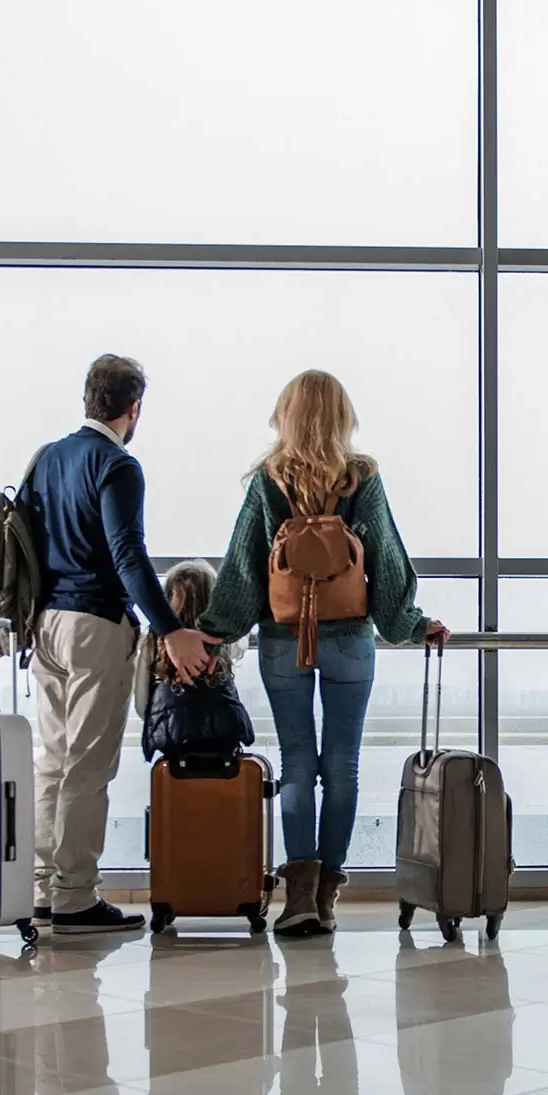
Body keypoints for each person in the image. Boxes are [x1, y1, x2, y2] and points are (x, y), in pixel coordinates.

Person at [198, 369, 449, 936]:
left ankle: (300, 899)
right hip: (351, 641)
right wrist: (413, 624)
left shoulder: (268, 480)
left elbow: (243, 567)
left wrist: (215, 628)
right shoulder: (362, 478)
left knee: (296, 765)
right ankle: (329, 892)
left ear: (285, 415)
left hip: (285, 640)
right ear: (342, 415)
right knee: (342, 767)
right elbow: (385, 559)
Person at [24, 353, 211, 935]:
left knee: (52, 763)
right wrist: (170, 627)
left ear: (88, 398)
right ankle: (76, 895)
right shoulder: (117, 465)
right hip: (94, 626)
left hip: (45, 626)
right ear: (135, 409)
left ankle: (43, 889)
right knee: (87, 766)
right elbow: (128, 558)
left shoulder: (45, 460)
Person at [133, 560, 254, 761]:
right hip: (226, 731)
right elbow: (241, 643)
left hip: (170, 734)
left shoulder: (153, 641)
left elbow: (141, 703)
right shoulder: (220, 640)